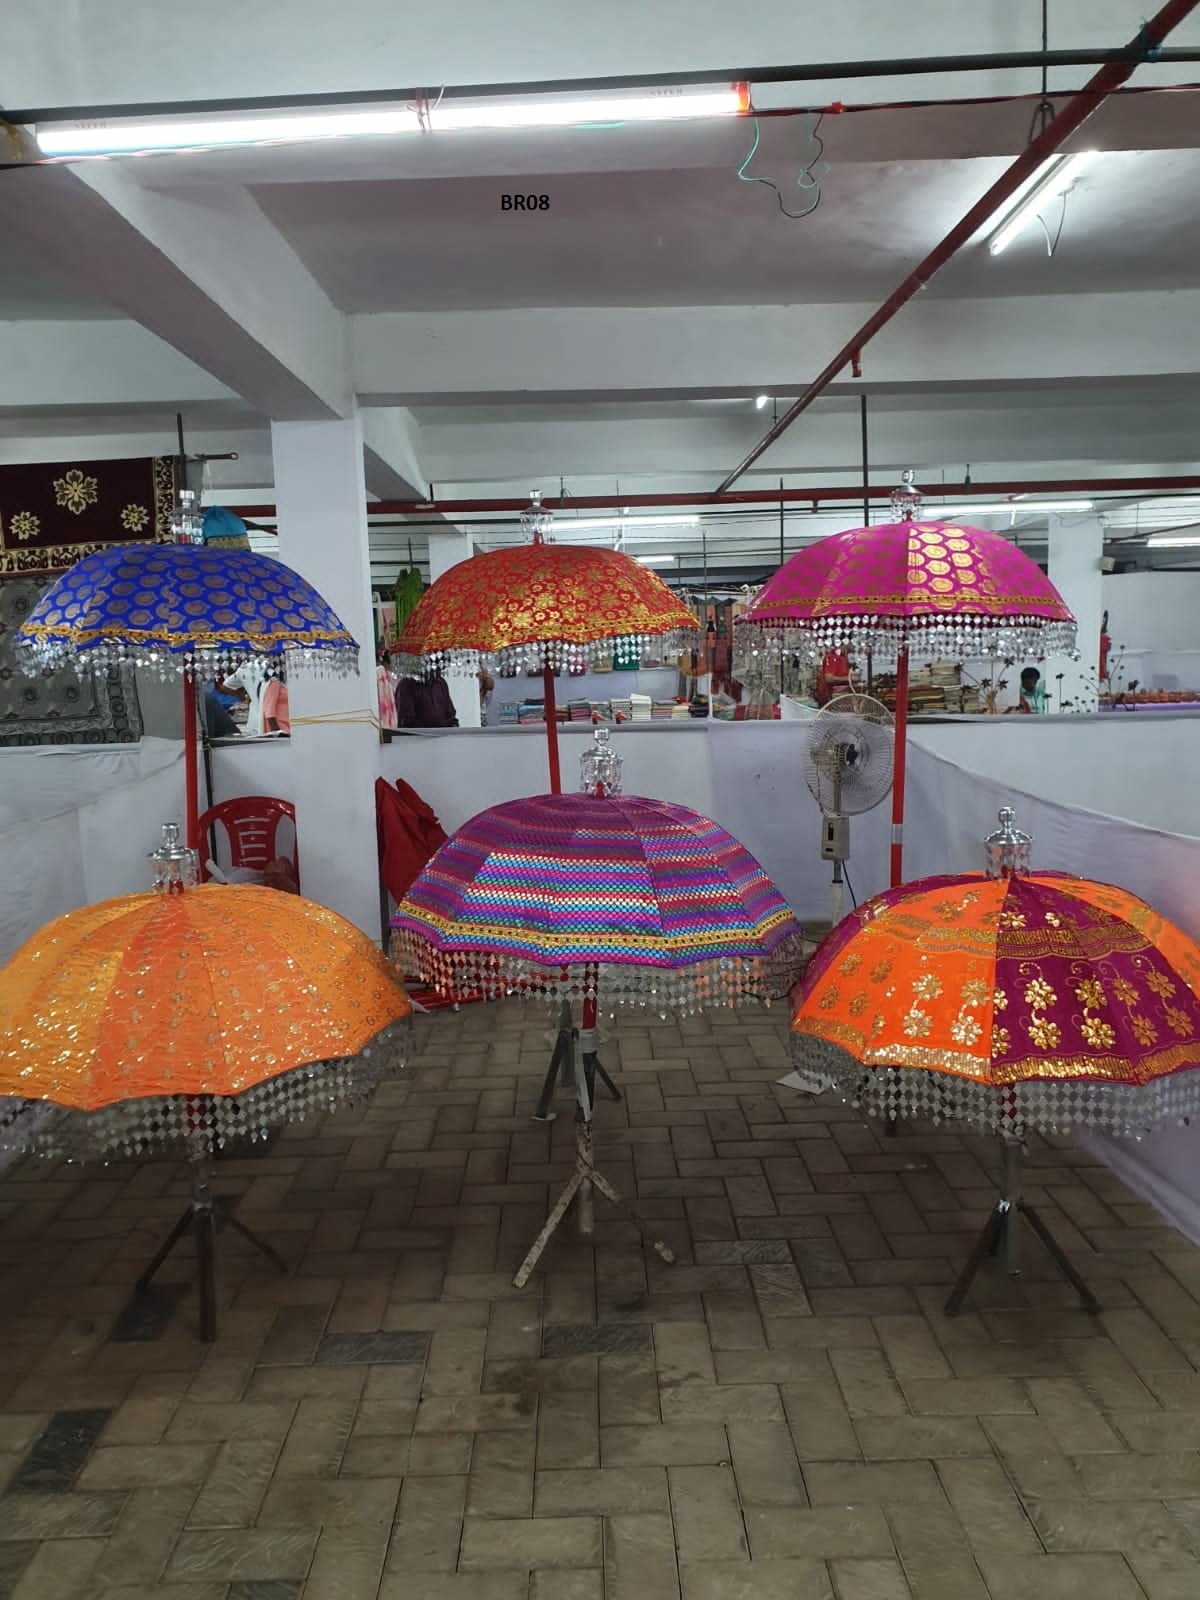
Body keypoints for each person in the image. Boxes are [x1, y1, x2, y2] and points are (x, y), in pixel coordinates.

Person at [262, 667, 291, 734]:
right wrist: (276, 731)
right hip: (280, 726)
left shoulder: (283, 684)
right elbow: (269, 709)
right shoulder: (274, 684)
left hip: (288, 724)